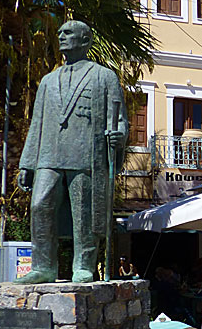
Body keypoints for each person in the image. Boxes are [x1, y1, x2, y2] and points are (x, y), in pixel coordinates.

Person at [17, 20, 127, 284]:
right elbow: (37, 123)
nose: (61, 36)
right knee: (40, 205)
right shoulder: (48, 81)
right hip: (49, 155)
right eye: (60, 33)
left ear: (85, 41)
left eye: (68, 33)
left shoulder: (104, 76)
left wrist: (118, 135)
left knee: (85, 213)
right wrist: (27, 163)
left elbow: (119, 119)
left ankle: (83, 266)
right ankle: (43, 267)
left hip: (86, 156)